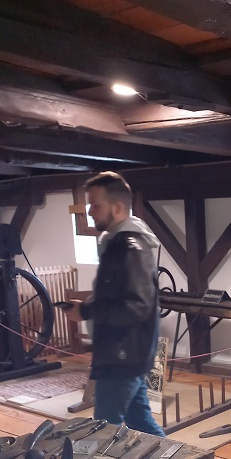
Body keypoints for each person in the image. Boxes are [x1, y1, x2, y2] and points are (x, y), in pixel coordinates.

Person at [64, 171, 164, 436]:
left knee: (103, 429)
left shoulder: (129, 248)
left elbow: (137, 306)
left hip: (123, 355)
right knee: (141, 423)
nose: (90, 212)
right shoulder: (117, 244)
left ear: (118, 207)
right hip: (124, 352)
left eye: (96, 205)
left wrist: (86, 310)